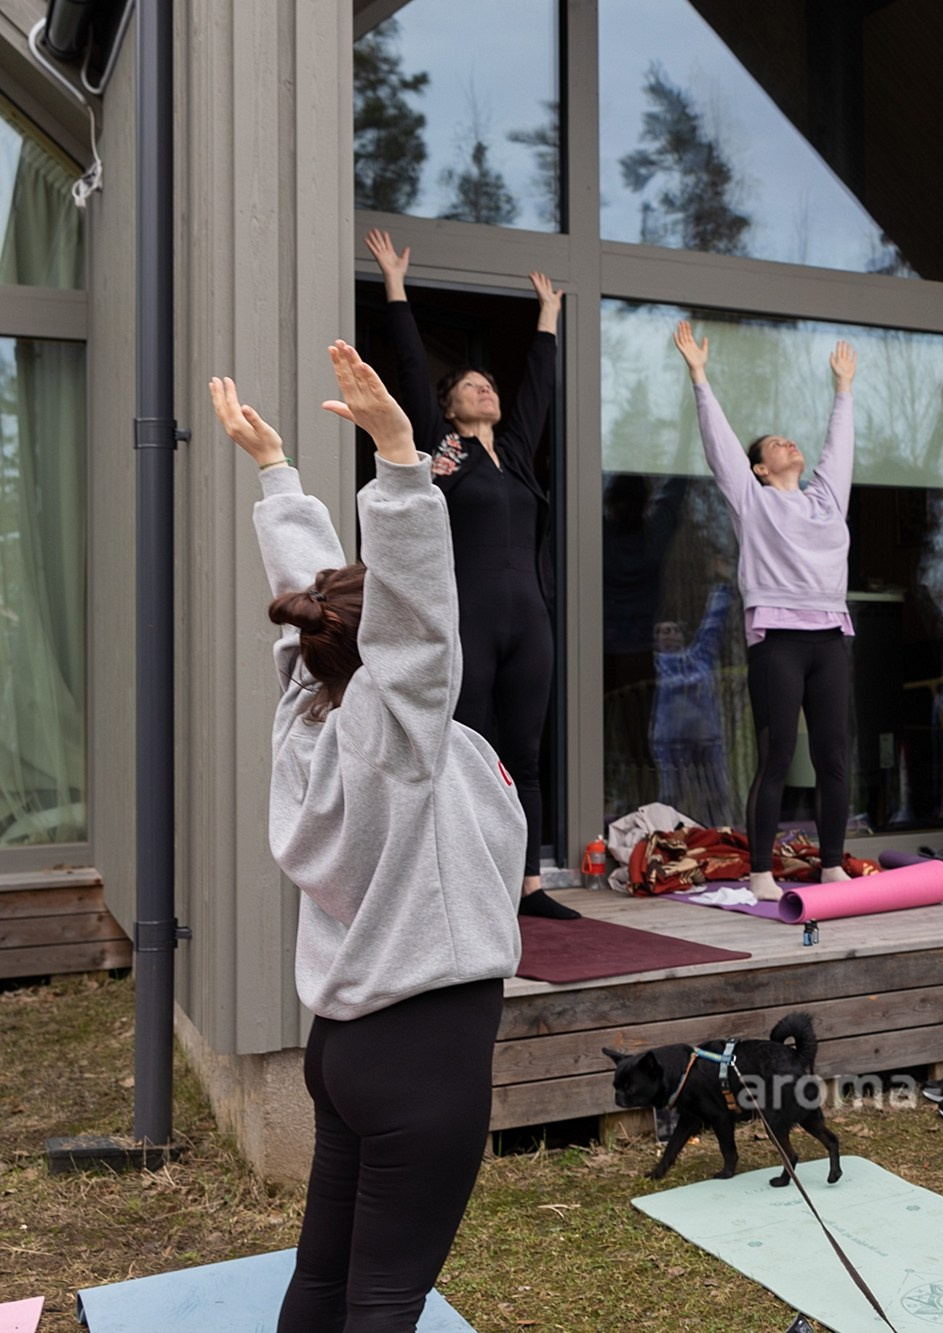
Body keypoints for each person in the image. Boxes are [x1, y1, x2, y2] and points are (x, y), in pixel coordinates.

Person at [212, 346, 523, 1332]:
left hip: (344, 1045)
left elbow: (309, 607)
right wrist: (397, 459)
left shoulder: (304, 715)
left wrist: (278, 480)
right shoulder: (395, 739)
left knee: (326, 1274)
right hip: (422, 1047)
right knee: (388, 1296)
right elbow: (419, 623)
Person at [363, 228, 575, 919]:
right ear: (451, 406)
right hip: (472, 619)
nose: (486, 390)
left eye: (490, 386)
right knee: (471, 746)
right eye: (471, 386)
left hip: (530, 621)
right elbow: (408, 362)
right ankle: (465, 873)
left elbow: (539, 389)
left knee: (528, 752)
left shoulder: (514, 455)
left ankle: (529, 884)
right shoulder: (443, 450)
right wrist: (395, 285)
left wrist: (548, 318)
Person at [673, 320, 857, 901]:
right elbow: (721, 446)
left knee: (833, 755)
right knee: (777, 755)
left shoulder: (827, 499)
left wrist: (843, 390)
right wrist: (700, 378)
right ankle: (759, 872)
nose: (789, 445)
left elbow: (839, 448)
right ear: (758, 468)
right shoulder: (751, 502)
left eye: (789, 440)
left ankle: (830, 865)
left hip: (830, 638)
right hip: (778, 639)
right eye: (776, 444)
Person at [650, 579, 736, 827]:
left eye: (673, 629)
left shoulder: (698, 658)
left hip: (706, 738)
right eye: (662, 631)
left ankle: (722, 838)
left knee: (717, 795)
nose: (669, 634)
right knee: (670, 797)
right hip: (669, 742)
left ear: (682, 635)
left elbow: (712, 627)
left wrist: (722, 587)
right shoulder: (656, 662)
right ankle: (666, 840)